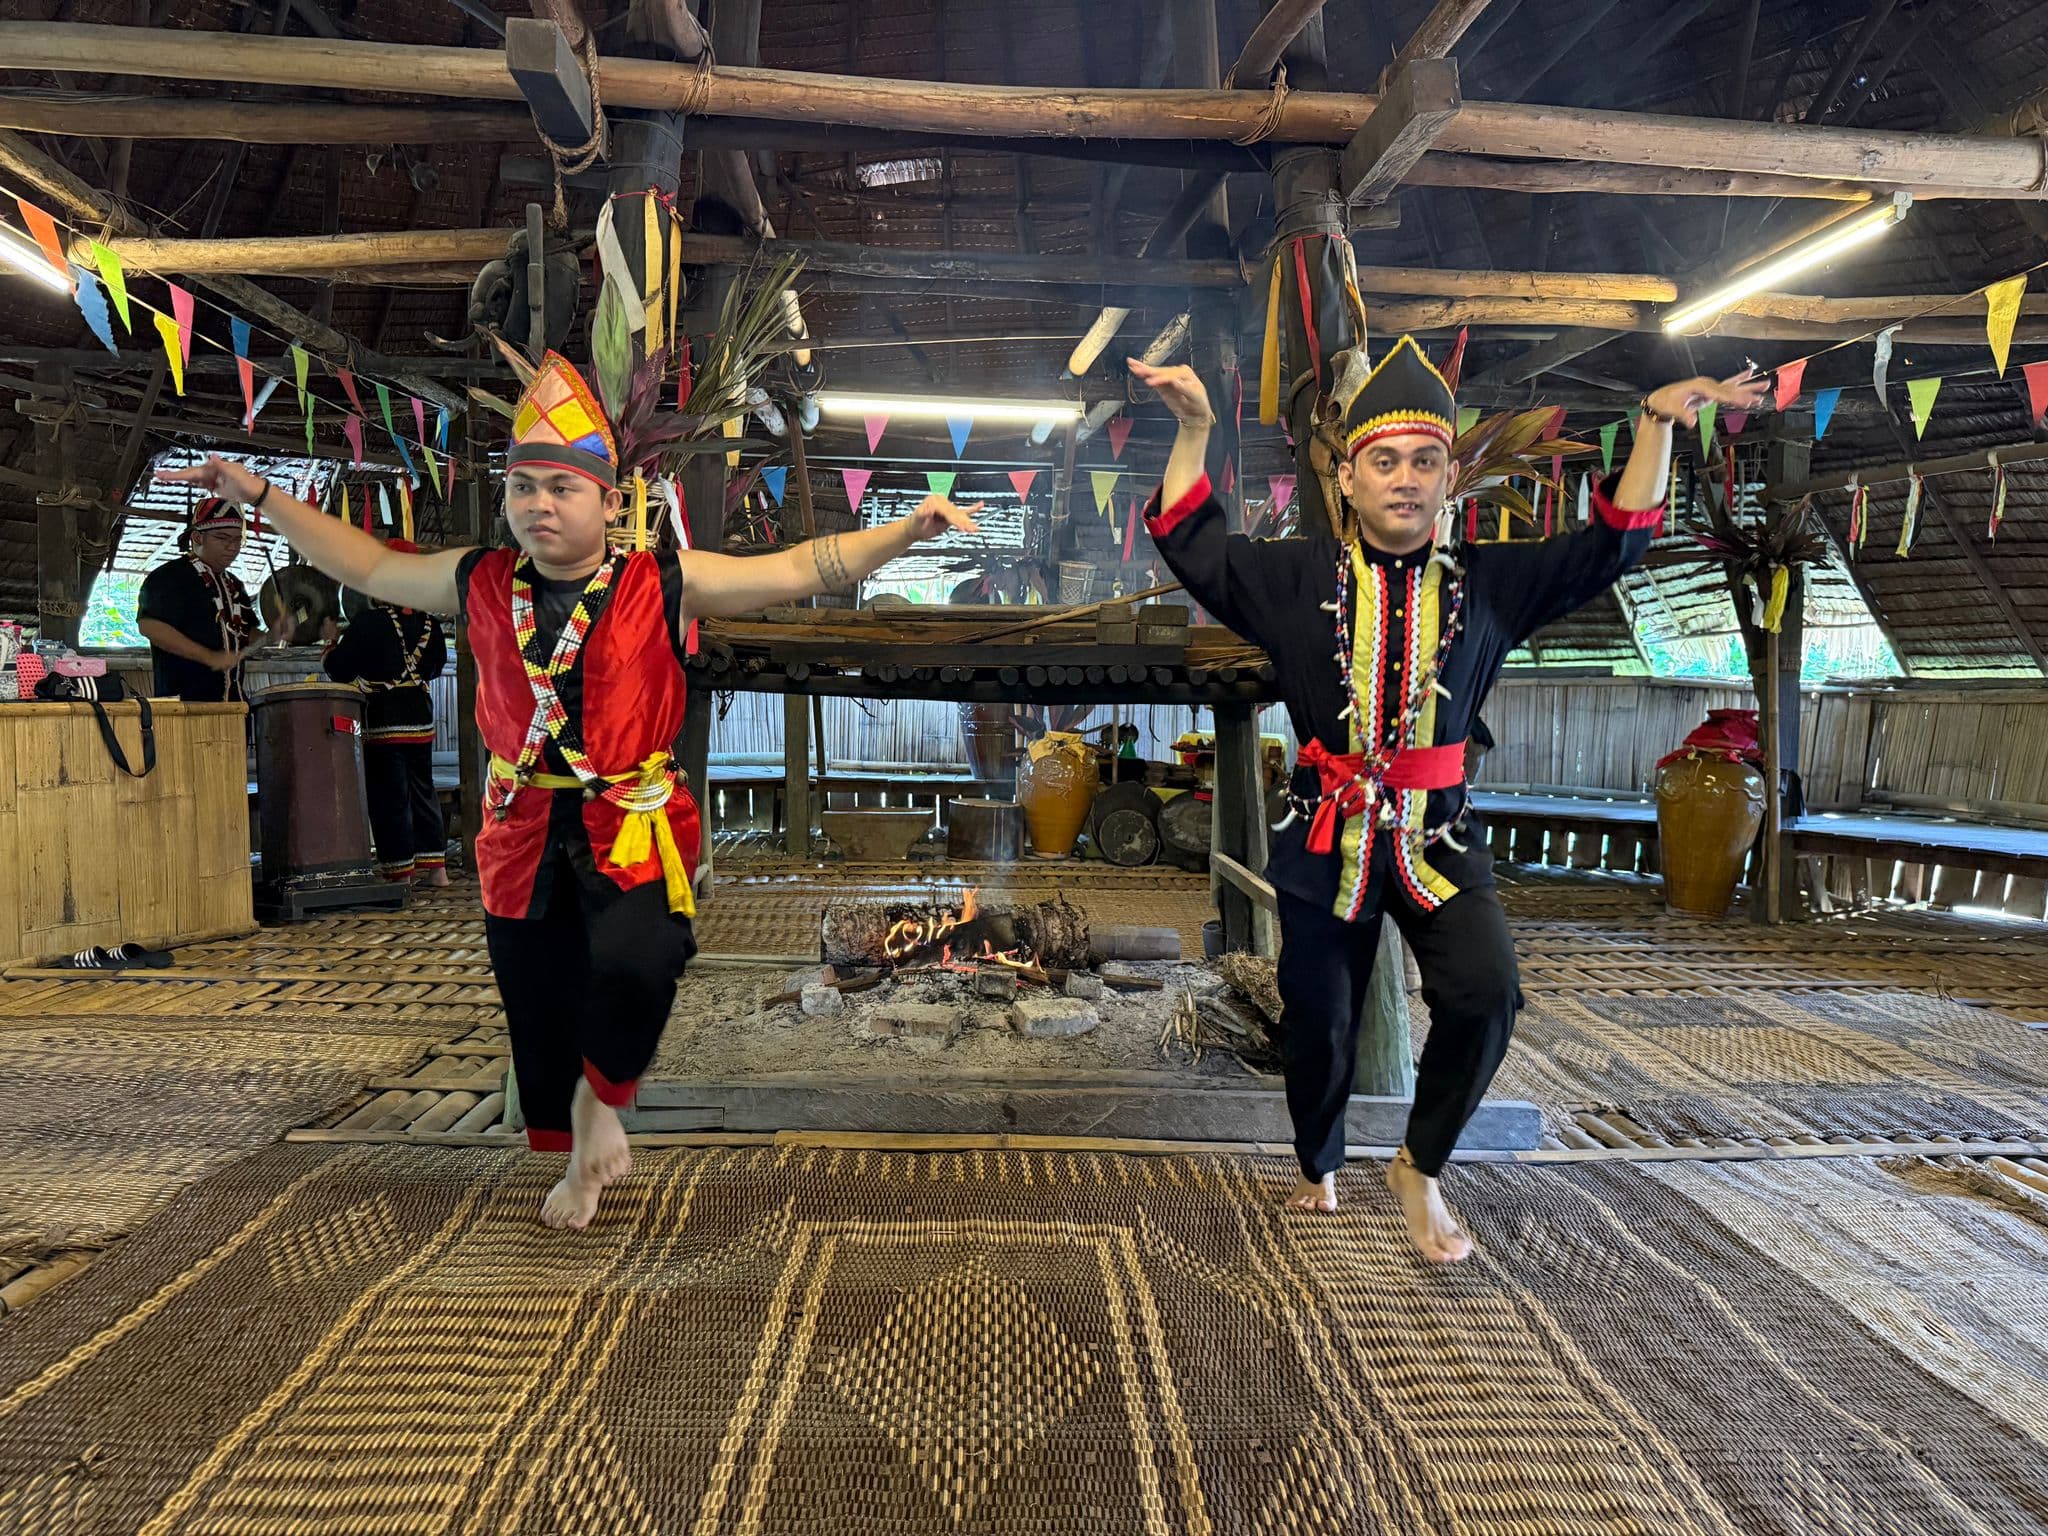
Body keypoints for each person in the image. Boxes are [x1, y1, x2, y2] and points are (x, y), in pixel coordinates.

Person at [163, 351, 980, 1230]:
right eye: (525, 489)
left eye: (562, 488)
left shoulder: (660, 581)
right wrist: (261, 498)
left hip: (631, 820)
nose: (540, 505)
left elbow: (798, 570)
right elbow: (362, 565)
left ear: (606, 499)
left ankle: (605, 1102)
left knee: (644, 958)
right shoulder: (478, 580)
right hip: (520, 829)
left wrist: (906, 532)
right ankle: (578, 1161)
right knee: (539, 999)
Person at [1130, 339, 1765, 1263]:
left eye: (1425, 461)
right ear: (1348, 480)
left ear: (1448, 481)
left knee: (1487, 991)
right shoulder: (1294, 577)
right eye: (1383, 461)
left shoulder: (1492, 585)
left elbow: (1614, 544)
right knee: (1320, 1019)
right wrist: (1194, 425)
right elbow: (1191, 536)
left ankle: (1420, 1166)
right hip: (1321, 839)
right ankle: (1319, 1162)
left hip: (1440, 839)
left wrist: (1659, 423)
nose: (1404, 479)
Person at [322, 543, 451, 886]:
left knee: (389, 794)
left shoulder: (368, 623)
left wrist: (330, 646)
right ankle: (437, 870)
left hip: (382, 721)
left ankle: (400, 871)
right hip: (421, 720)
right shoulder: (429, 625)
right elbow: (435, 667)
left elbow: (340, 669)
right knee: (423, 789)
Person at [135, 497, 295, 701]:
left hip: (234, 702)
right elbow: (150, 626)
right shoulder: (168, 577)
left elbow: (245, 635)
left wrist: (272, 636)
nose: (232, 547)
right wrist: (208, 656)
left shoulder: (234, 584)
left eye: (237, 540)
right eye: (222, 538)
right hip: (183, 705)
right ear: (198, 537)